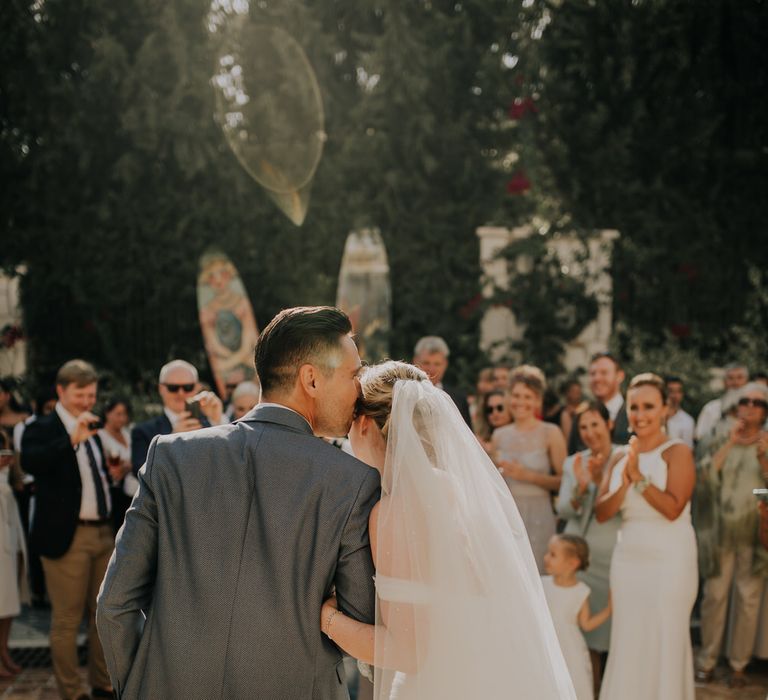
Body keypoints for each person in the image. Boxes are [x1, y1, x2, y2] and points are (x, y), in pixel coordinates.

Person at [97, 306, 380, 699]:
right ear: (311, 379)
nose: (359, 390)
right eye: (353, 375)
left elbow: (114, 605)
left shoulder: (170, 455)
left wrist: (139, 690)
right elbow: (361, 620)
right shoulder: (353, 482)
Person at [318, 360, 576, 699]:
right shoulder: (461, 489)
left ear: (364, 424)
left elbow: (407, 652)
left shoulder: (395, 512)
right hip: (492, 673)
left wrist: (326, 619)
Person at [595, 373, 697, 700]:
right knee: (628, 638)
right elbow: (601, 513)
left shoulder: (677, 452)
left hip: (670, 557)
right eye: (634, 407)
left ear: (666, 408)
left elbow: (673, 508)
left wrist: (638, 477)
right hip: (628, 558)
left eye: (649, 406)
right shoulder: (618, 455)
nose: (640, 414)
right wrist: (624, 483)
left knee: (665, 635)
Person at [21, 360, 114, 700]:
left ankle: (102, 684)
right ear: (61, 391)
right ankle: (72, 692)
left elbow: (92, 478)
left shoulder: (94, 424)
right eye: (80, 394)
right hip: (67, 537)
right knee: (66, 620)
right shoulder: (41, 427)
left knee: (103, 615)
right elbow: (31, 462)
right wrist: (70, 440)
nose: (87, 402)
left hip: (104, 533)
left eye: (91, 394)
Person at [694, 382, 768, 688]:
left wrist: (764, 457)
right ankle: (708, 661)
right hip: (720, 530)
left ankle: (739, 665)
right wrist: (730, 442)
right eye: (745, 401)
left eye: (757, 402)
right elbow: (705, 477)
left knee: (748, 600)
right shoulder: (719, 436)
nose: (750, 406)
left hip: (753, 531)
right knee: (714, 597)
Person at [556, 402, 621, 686]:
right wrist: (581, 489)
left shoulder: (625, 456)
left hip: (613, 551)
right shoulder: (574, 462)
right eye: (583, 426)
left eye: (595, 424)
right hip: (580, 555)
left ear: (608, 424)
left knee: (613, 630)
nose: (590, 432)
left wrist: (600, 480)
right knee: (585, 633)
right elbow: (564, 510)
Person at [492, 365, 566, 572]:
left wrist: (528, 475)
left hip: (539, 514)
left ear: (537, 400)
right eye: (516, 395)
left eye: (528, 396)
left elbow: (564, 482)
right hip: (507, 516)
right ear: (508, 397)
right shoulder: (499, 435)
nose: (521, 402)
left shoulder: (551, 432)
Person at [542, 534, 612, 700]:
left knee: (571, 681)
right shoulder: (542, 583)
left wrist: (609, 610)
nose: (545, 557)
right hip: (546, 643)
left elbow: (586, 624)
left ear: (572, 563)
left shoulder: (580, 591)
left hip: (569, 648)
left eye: (552, 555)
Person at [130, 359, 223, 474]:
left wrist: (218, 421)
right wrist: (171, 441)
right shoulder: (143, 432)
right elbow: (141, 472)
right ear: (161, 389)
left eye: (187, 387)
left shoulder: (212, 424)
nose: (181, 393)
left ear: (197, 388)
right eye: (173, 388)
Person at [0, 431, 26, 678]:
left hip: (9, 529)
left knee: (9, 598)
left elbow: (16, 485)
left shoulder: (4, 438)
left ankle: (3, 649)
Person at [568, 354, 629, 454]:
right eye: (592, 374)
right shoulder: (580, 416)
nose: (597, 378)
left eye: (604, 373)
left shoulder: (634, 414)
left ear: (620, 376)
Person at [412, 336, 471, 426]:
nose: (431, 369)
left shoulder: (459, 399)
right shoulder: (405, 395)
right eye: (426, 363)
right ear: (415, 362)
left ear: (445, 364)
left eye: (437, 364)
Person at [98, 397, 137, 508]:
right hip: (115, 491)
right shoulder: (101, 435)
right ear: (107, 413)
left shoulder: (127, 433)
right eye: (118, 414)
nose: (122, 418)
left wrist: (127, 466)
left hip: (132, 490)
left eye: (125, 414)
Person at [695, 363, 749, 442]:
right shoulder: (710, 409)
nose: (735, 382)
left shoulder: (756, 408)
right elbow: (701, 439)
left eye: (739, 377)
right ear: (724, 382)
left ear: (746, 382)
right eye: (730, 378)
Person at [665, 376, 695, 448]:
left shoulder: (688, 421)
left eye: (678, 391)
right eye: (670, 391)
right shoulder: (653, 416)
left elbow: (688, 449)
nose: (674, 395)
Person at [559, 379, 584, 444]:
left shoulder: (584, 408)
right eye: (574, 391)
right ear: (567, 393)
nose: (577, 394)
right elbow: (568, 439)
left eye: (578, 391)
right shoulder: (565, 413)